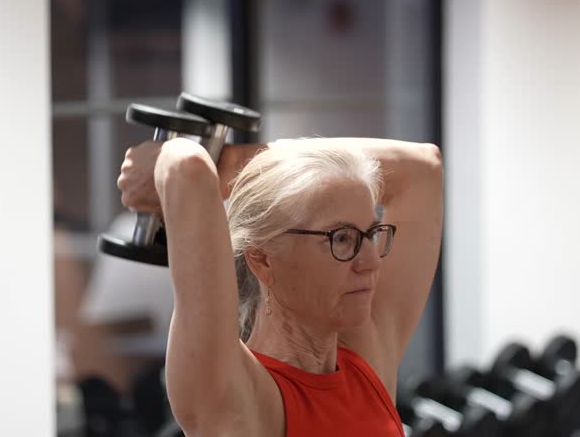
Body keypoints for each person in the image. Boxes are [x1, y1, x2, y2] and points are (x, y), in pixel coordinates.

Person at [117, 137, 443, 436]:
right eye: (342, 238)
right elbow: (188, 167)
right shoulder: (234, 400)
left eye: (371, 234)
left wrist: (235, 162)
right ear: (262, 260)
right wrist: (161, 159)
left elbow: (423, 167)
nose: (371, 261)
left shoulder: (364, 364)